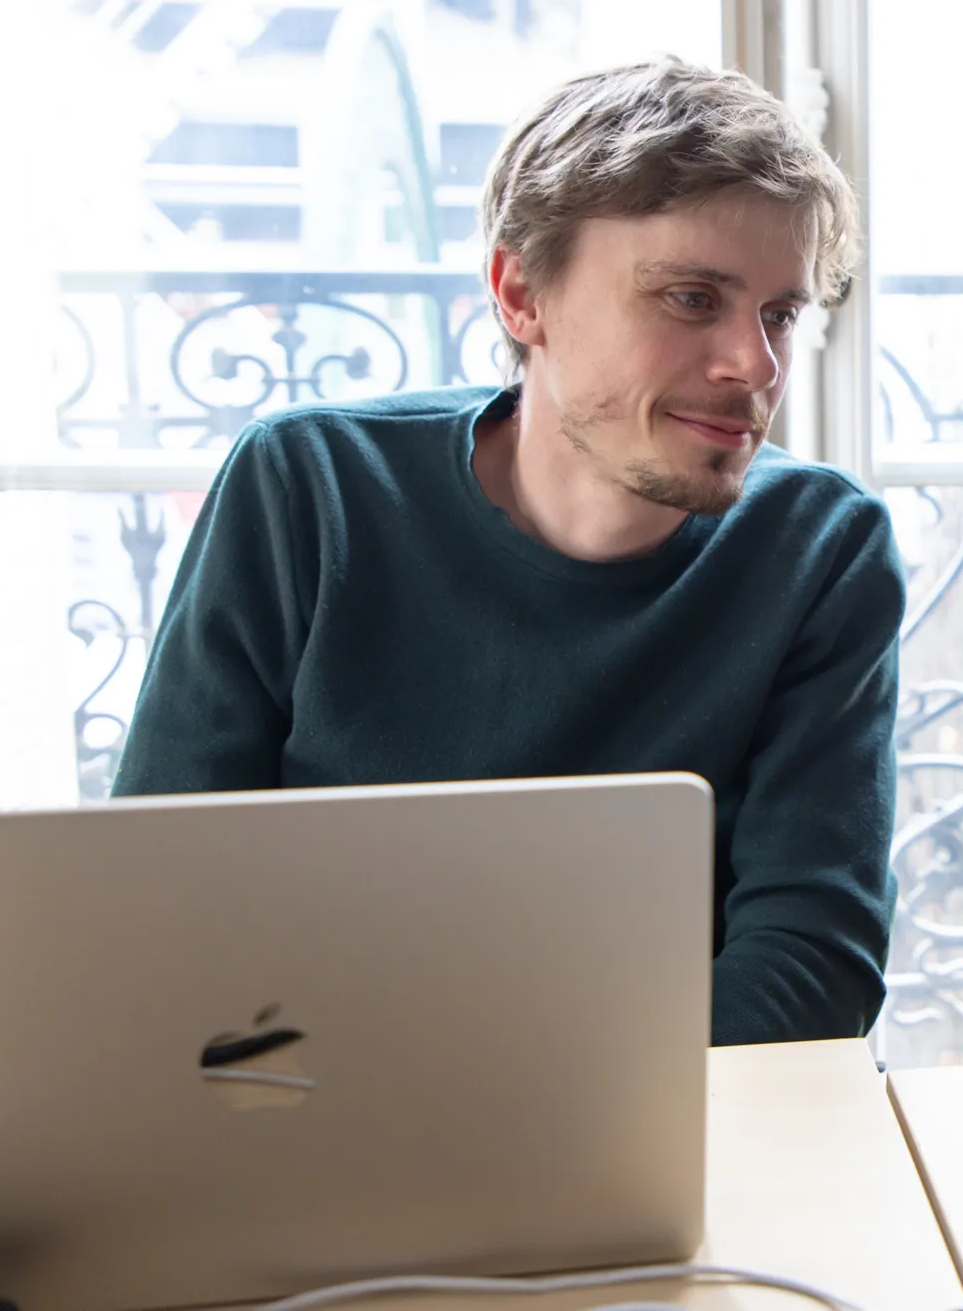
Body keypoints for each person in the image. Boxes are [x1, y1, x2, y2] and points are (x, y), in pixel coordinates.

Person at [112, 60, 905, 1048]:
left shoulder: (822, 547)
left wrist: (524, 1102)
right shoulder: (309, 487)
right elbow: (159, 894)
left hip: (673, 1127)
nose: (756, 363)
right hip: (311, 1111)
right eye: (693, 298)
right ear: (520, 295)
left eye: (780, 312)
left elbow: (811, 960)